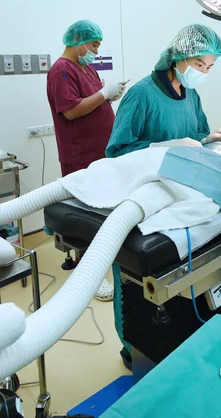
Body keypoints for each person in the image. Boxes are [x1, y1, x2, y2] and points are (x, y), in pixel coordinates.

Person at [106, 23, 221, 368]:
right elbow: (116, 152)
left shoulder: (192, 95)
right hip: (143, 202)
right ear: (179, 57)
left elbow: (196, 136)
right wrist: (162, 146)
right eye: (199, 65)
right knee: (136, 285)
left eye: (209, 67)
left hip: (181, 197)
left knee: (176, 279)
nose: (203, 73)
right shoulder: (142, 95)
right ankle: (132, 347)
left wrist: (211, 139)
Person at [47, 20, 128, 301]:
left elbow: (91, 101)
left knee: (99, 214)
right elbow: (70, 111)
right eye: (93, 44)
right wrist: (104, 94)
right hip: (80, 152)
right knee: (85, 216)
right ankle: (88, 275)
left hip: (99, 152)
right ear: (77, 41)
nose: (95, 50)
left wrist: (109, 96)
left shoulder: (87, 68)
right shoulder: (61, 71)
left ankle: (101, 263)